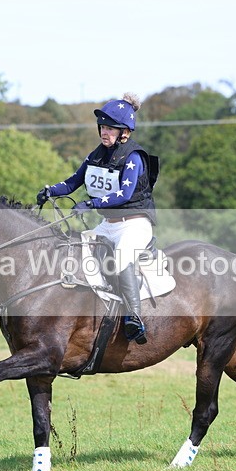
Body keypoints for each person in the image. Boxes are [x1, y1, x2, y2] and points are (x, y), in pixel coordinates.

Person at [37, 92, 159, 345]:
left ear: (124, 132)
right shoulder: (96, 155)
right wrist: (50, 190)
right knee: (73, 251)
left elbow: (123, 194)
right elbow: (73, 182)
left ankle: (134, 317)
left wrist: (90, 203)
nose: (104, 132)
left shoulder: (134, 156)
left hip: (134, 224)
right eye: (102, 127)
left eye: (110, 129)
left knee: (123, 257)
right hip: (108, 224)